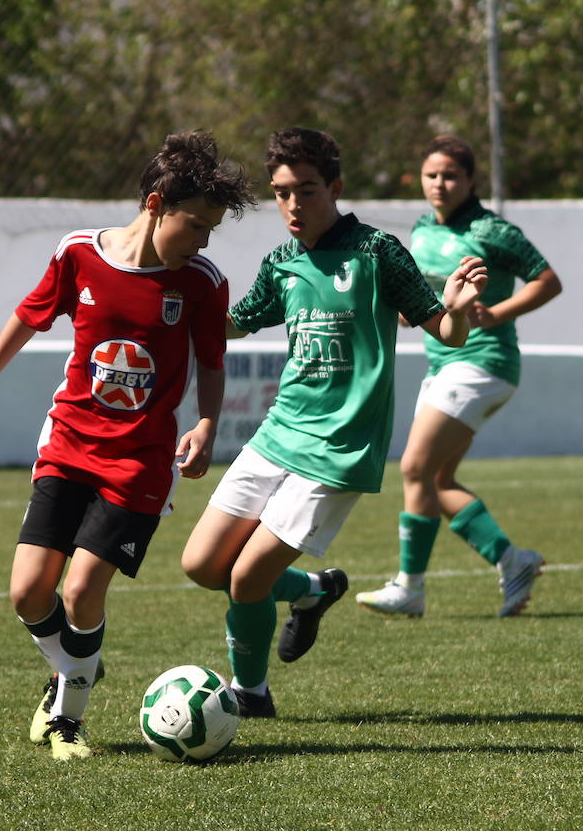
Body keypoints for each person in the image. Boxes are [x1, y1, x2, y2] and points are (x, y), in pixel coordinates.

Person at [0, 131, 255, 761]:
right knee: (27, 592)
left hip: (141, 460)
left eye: (211, 230)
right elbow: (30, 313)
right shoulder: (78, 255)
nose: (205, 240)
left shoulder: (202, 281)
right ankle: (78, 664)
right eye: (197, 225)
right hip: (68, 441)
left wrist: (206, 423)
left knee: (80, 592)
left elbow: (212, 356)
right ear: (155, 204)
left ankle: (68, 718)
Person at [180, 127, 487, 718]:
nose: (293, 204)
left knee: (246, 580)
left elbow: (444, 331)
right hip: (278, 433)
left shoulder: (377, 252)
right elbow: (234, 323)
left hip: (342, 447)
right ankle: (315, 591)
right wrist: (168, 297)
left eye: (307, 189)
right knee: (201, 565)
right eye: (281, 192)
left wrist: (454, 307)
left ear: (335, 187)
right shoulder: (282, 264)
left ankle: (251, 693)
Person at [354, 136, 562, 619]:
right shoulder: (423, 229)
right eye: (431, 175)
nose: (440, 184)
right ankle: (514, 561)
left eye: (450, 175)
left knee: (413, 468)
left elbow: (548, 280)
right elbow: (426, 299)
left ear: (470, 181)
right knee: (437, 480)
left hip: (483, 362)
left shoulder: (493, 231)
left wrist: (499, 312)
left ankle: (410, 586)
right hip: (444, 363)